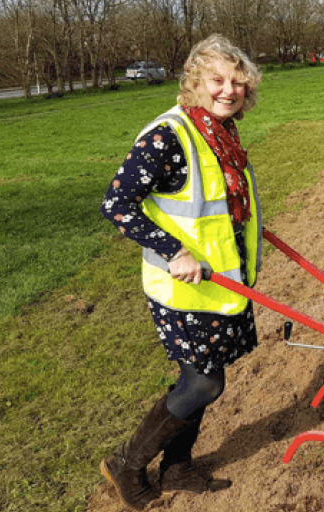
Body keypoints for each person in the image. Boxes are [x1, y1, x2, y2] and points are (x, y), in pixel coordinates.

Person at [99, 35, 263, 510]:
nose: (228, 90)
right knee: (204, 384)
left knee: (205, 380)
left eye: (237, 81)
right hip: (181, 288)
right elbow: (116, 204)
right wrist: (174, 250)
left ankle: (176, 467)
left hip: (217, 285)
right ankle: (126, 465)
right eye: (217, 79)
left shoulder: (219, 131)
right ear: (195, 81)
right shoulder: (168, 135)